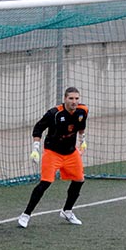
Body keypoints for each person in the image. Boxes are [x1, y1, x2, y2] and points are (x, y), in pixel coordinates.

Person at [17, 86, 89, 228]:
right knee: (45, 183)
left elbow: (81, 126)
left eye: (76, 98)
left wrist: (83, 141)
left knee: (79, 180)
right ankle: (26, 215)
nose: (74, 101)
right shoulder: (54, 114)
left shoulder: (83, 111)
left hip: (70, 152)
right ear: (65, 99)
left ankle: (67, 211)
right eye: (71, 98)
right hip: (53, 152)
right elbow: (38, 128)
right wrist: (35, 149)